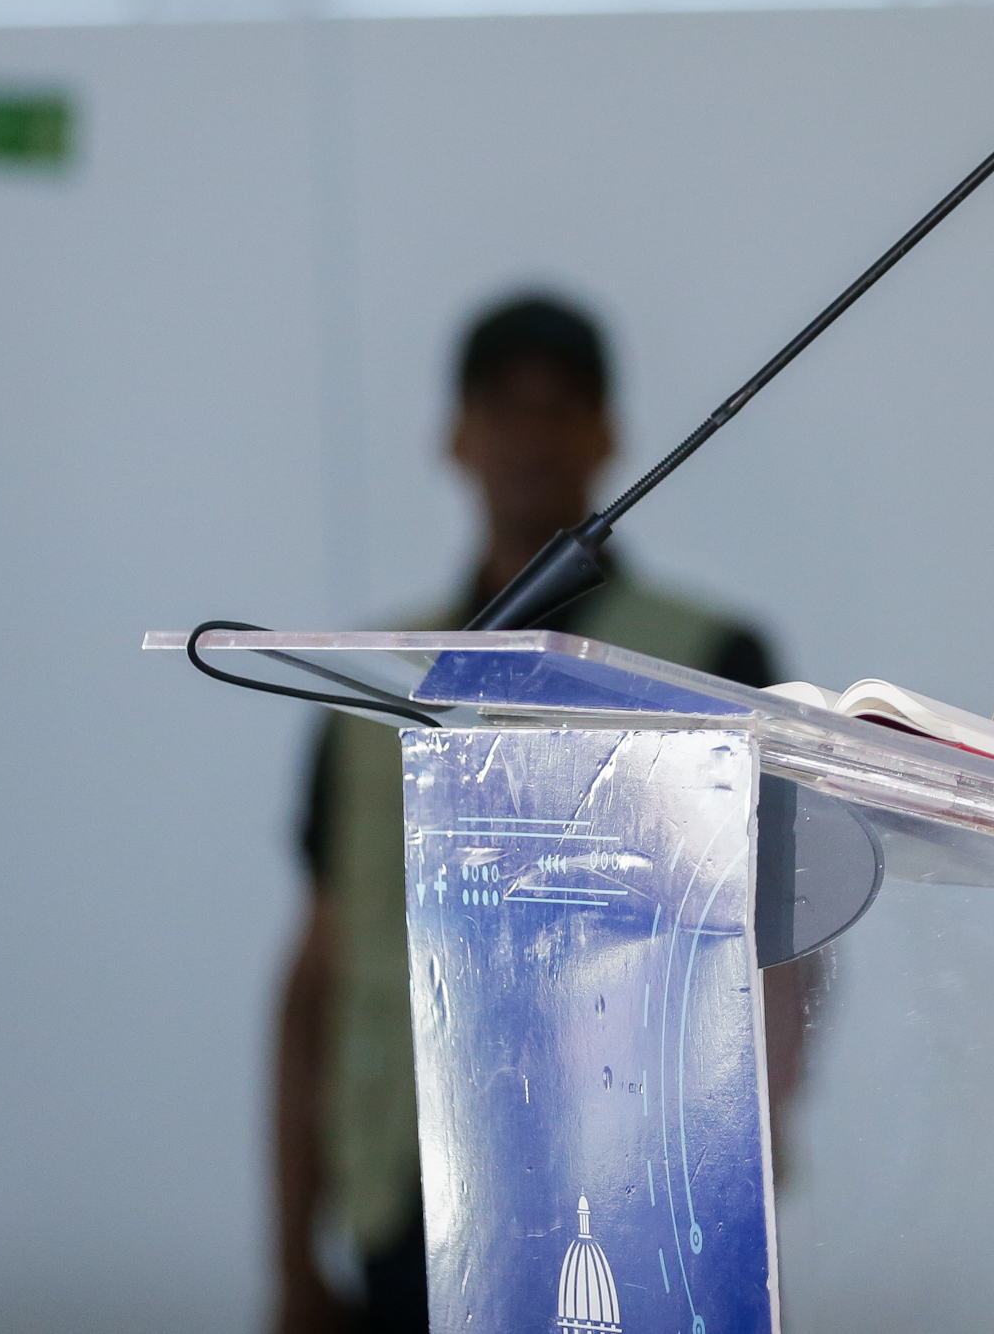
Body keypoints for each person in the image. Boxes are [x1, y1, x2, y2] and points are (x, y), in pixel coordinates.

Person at [271, 294, 777, 1334]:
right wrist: (289, 1257)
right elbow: (319, 971)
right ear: (457, 438)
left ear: (606, 435)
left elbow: (776, 952)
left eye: (561, 408)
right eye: (504, 407)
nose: (531, 436)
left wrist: (747, 1177)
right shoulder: (378, 685)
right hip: (405, 1205)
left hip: (639, 1202)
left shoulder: (706, 659)